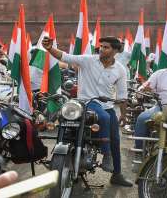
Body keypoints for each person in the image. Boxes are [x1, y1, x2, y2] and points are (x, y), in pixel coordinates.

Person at [42, 36, 133, 187]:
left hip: (106, 105)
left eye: (106, 47)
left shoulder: (120, 70)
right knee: (88, 119)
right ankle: (105, 154)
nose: (102, 49)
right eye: (101, 46)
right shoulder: (88, 60)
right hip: (85, 103)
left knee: (116, 139)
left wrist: (123, 114)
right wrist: (50, 48)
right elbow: (64, 56)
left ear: (116, 51)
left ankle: (117, 174)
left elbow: (123, 95)